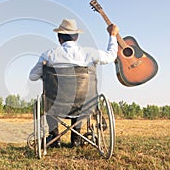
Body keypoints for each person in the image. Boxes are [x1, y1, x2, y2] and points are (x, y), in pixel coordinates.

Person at [29, 18, 119, 148]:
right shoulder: (89, 53)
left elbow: (32, 76)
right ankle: (76, 138)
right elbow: (111, 56)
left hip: (56, 105)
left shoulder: (48, 55)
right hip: (84, 105)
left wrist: (45, 72)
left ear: (59, 38)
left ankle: (55, 137)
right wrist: (112, 35)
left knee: (47, 100)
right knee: (82, 99)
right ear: (76, 37)